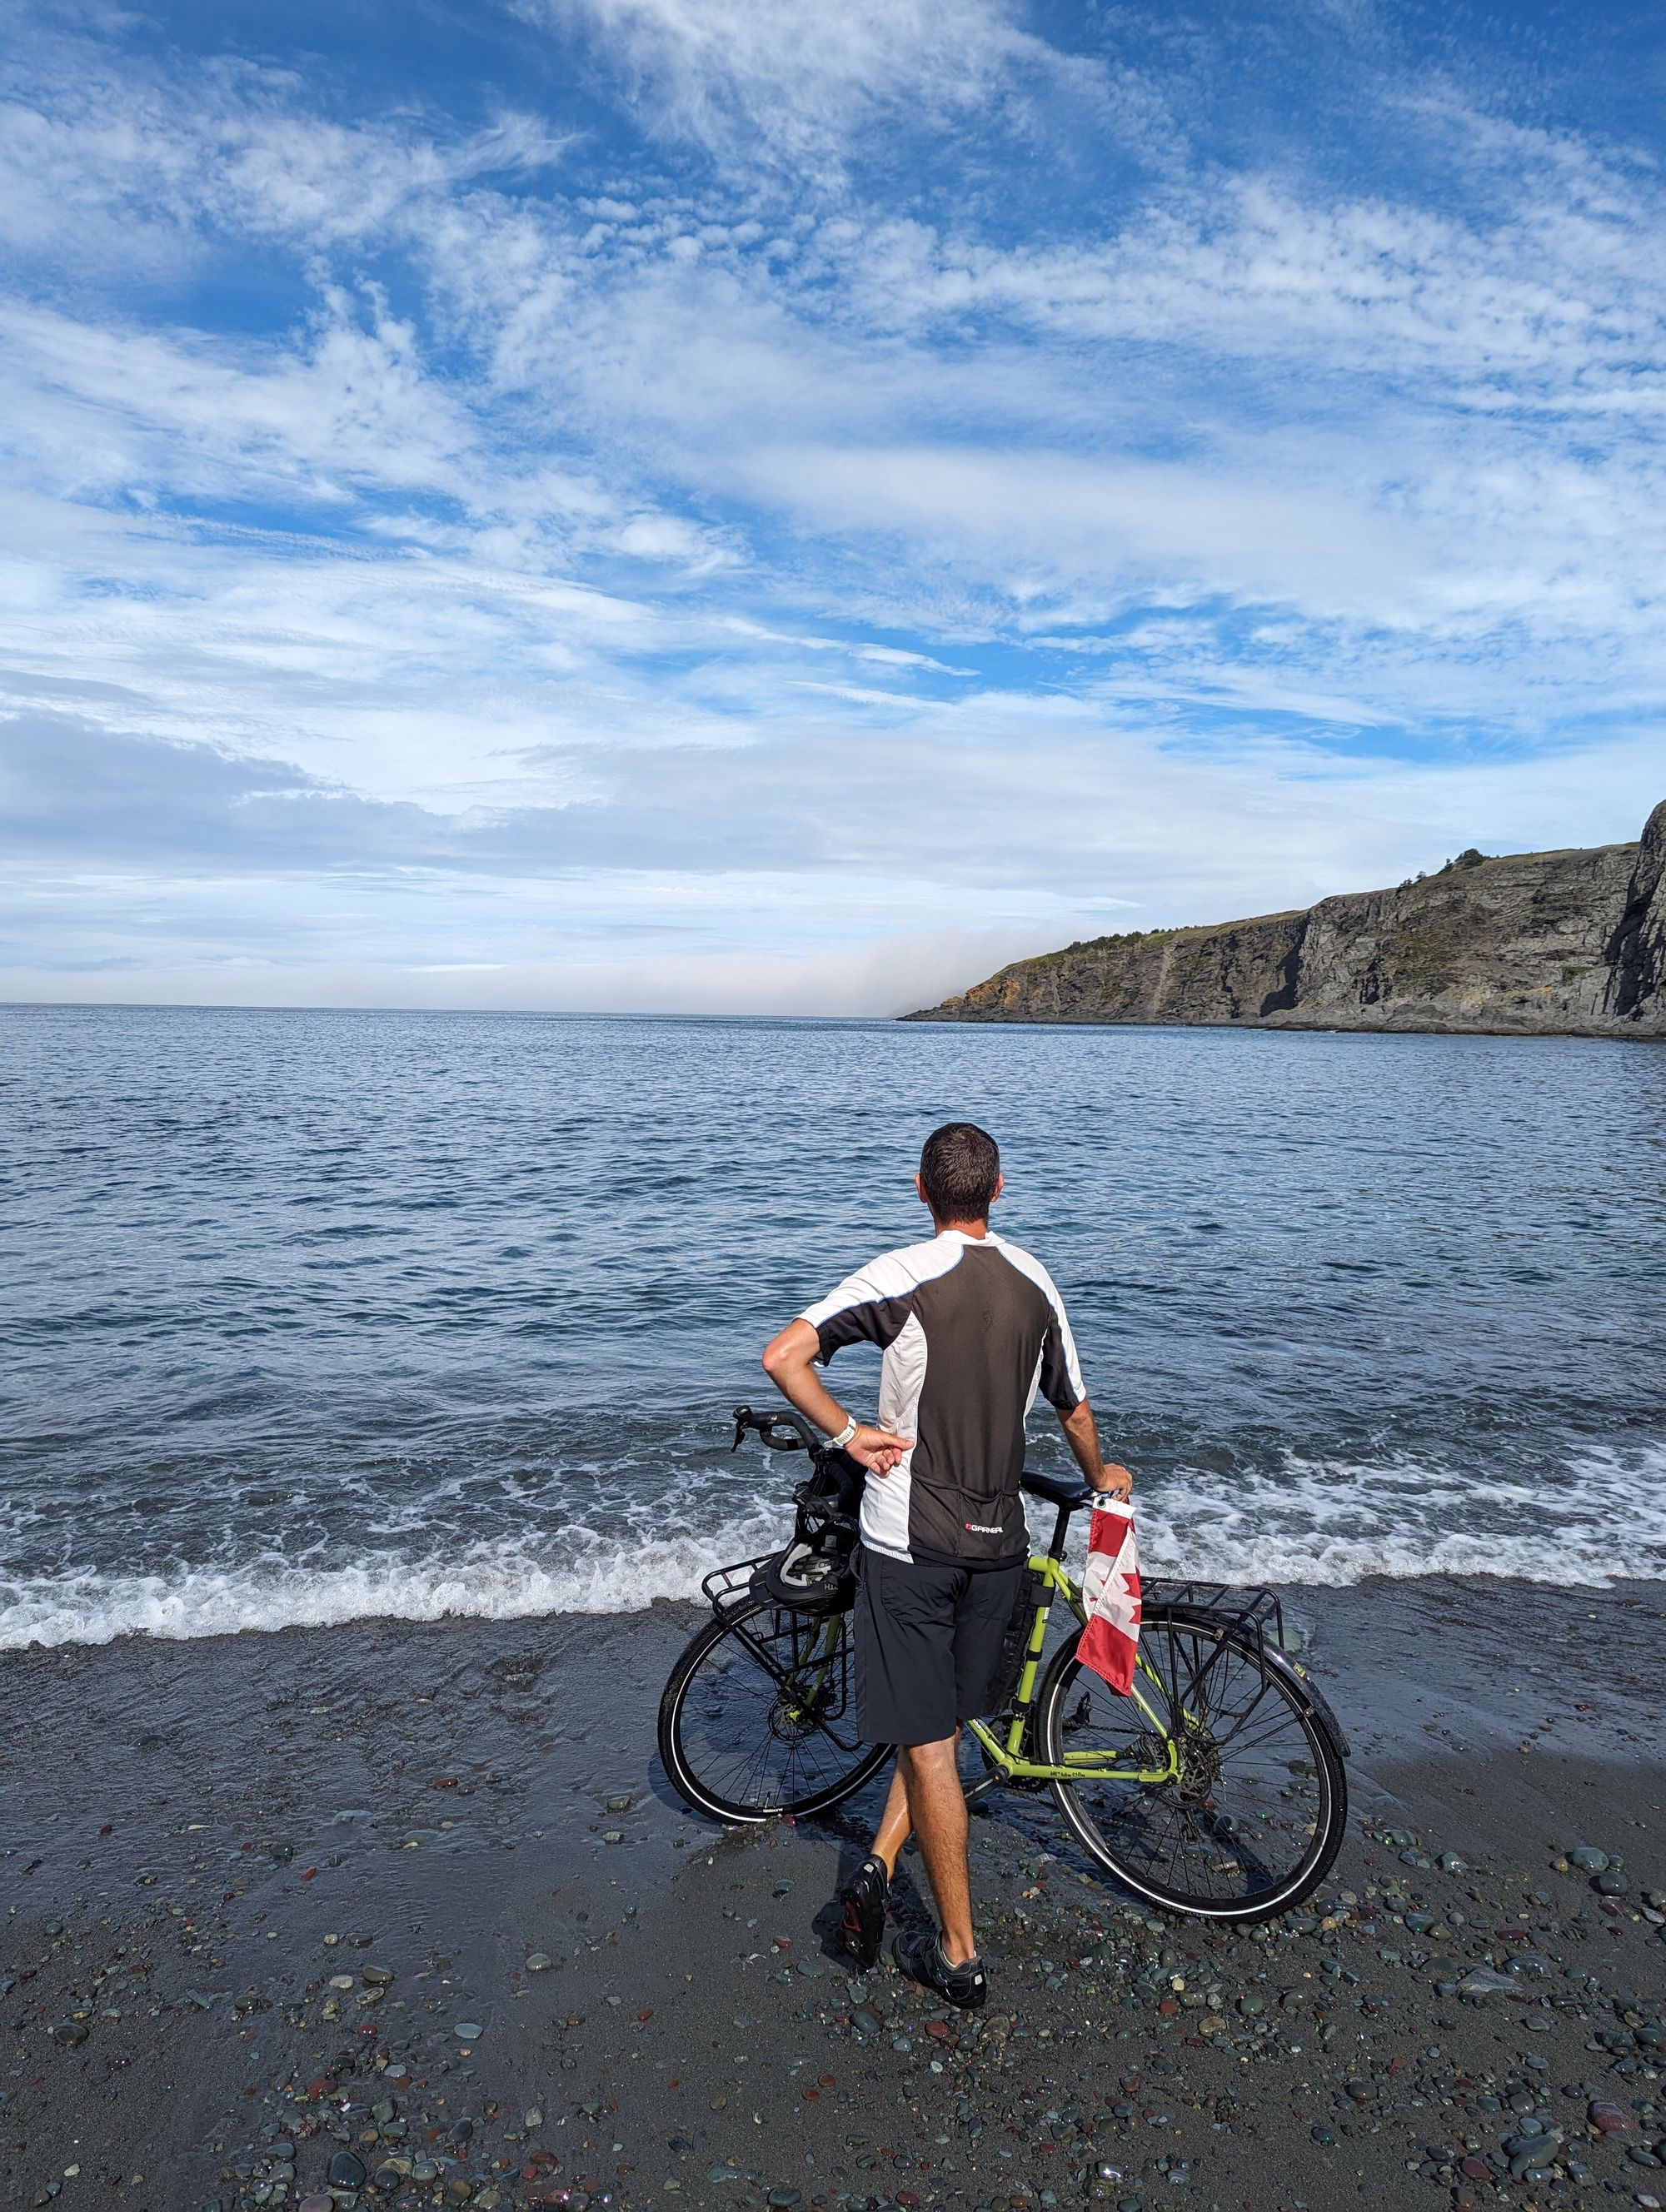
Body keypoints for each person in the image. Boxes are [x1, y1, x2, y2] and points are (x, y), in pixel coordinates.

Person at [761, 1120, 1131, 2009]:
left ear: (920, 1191)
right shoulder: (1037, 1280)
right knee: (942, 1727)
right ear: (997, 1191)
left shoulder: (899, 1273)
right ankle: (883, 1861)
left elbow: (784, 1356)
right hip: (996, 1549)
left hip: (911, 1546)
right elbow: (1074, 1409)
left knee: (926, 1742)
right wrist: (1099, 1476)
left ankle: (959, 1953)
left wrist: (849, 1434)